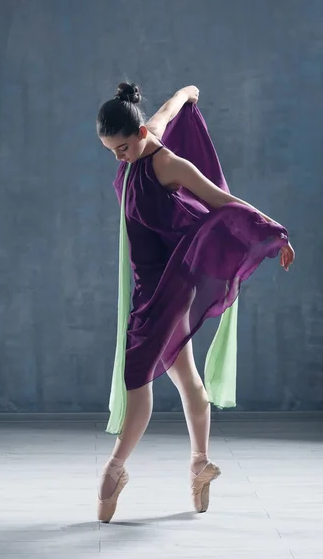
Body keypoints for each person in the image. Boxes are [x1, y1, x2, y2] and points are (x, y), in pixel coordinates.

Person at [95, 83, 295, 523]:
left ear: (142, 133)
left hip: (169, 287)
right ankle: (199, 464)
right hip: (148, 288)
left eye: (123, 147)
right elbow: (168, 108)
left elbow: (224, 202)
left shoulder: (167, 163)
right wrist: (189, 92)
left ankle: (113, 470)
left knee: (138, 381)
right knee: (185, 378)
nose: (119, 158)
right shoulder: (147, 137)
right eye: (111, 151)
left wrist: (274, 231)